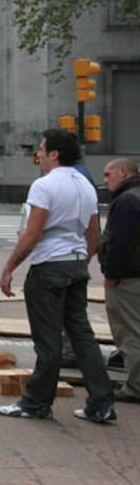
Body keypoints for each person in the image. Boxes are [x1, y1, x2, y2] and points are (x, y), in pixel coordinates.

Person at [0, 128, 115, 423]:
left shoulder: (45, 185)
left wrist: (10, 267)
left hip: (50, 266)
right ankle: (101, 402)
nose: (38, 154)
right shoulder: (86, 186)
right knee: (82, 335)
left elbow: (33, 233)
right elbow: (94, 234)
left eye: (41, 148)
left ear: (54, 154)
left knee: (47, 340)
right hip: (75, 264)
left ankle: (36, 403)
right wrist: (80, 262)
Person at [100, 157, 140, 403]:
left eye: (107, 175)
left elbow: (120, 243)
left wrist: (112, 274)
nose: (105, 181)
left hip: (128, 278)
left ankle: (135, 387)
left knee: (130, 333)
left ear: (123, 172)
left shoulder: (127, 200)